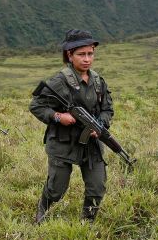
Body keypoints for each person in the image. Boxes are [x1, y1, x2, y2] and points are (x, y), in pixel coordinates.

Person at [29, 29, 114, 222]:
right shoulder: (59, 81)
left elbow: (107, 110)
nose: (87, 59)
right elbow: (36, 105)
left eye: (90, 54)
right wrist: (58, 116)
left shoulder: (98, 82)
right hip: (63, 143)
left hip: (91, 144)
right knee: (56, 188)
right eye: (81, 54)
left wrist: (99, 125)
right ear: (70, 55)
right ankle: (43, 209)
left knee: (97, 187)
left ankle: (88, 222)